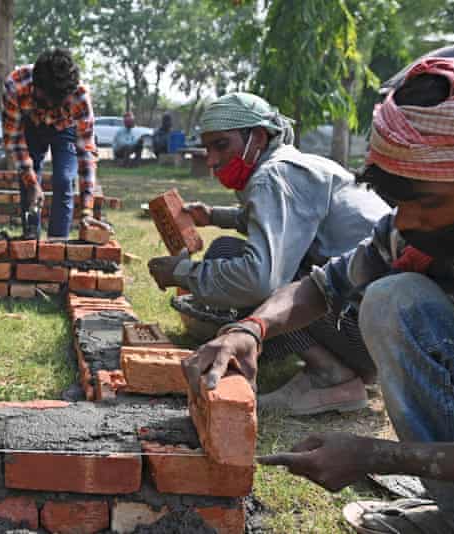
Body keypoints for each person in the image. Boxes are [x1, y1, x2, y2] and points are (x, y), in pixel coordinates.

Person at [183, 58, 454, 533]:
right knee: (394, 297)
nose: (404, 222)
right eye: (399, 202)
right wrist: (251, 328)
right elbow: (323, 286)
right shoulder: (423, 227)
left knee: (393, 297)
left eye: (425, 202)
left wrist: (380, 455)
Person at [148, 92, 390, 416]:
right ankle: (333, 365)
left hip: (369, 335)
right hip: (384, 334)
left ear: (258, 137)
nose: (211, 160)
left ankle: (331, 376)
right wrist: (213, 215)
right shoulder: (299, 164)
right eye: (208, 149)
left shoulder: (274, 175)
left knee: (241, 263)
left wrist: (180, 274)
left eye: (221, 145)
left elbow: (257, 282)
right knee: (239, 254)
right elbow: (283, 222)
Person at [2, 48, 110, 239]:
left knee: (64, 179)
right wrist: (32, 183)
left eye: (58, 103)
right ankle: (30, 240)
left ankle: (58, 246)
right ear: (36, 87)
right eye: (46, 101)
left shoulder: (80, 97)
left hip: (64, 130)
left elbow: (86, 152)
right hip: (31, 126)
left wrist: (86, 209)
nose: (50, 110)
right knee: (29, 181)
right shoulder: (15, 87)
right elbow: (15, 142)